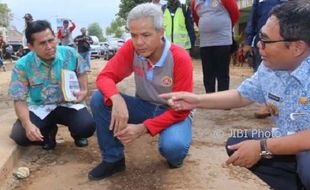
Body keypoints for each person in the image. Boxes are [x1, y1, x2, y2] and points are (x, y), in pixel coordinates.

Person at [160, 1, 310, 189]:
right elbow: (241, 96)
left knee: (307, 163)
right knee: (236, 144)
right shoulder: (270, 67)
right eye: (258, 38)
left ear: (297, 47)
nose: (258, 46)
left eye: (266, 41)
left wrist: (263, 147)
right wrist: (196, 101)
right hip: (288, 136)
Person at [88, 3, 193, 180]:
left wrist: (143, 128)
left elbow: (182, 108)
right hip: (143, 106)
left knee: (174, 148)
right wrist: (116, 98)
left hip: (172, 111)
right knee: (100, 98)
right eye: (133, 35)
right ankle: (113, 159)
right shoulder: (132, 49)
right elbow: (104, 77)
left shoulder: (179, 57)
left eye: (146, 35)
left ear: (161, 32)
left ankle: (174, 156)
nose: (139, 42)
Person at [9, 20, 96, 150]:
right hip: (40, 107)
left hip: (68, 104)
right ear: (31, 46)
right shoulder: (22, 65)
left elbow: (81, 71)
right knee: (20, 135)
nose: (49, 46)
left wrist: (83, 90)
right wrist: (27, 125)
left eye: (51, 40)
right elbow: (19, 99)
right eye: (42, 43)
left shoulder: (69, 53)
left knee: (86, 126)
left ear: (55, 37)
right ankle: (48, 133)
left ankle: (78, 134)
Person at [244, 0, 288, 119]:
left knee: (284, 73)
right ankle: (267, 104)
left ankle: (284, 103)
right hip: (262, 39)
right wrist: (248, 41)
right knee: (262, 71)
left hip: (285, 40)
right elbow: (252, 20)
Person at [191, 0, 239, 93]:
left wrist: (224, 26)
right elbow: (196, 18)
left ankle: (223, 98)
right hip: (205, 42)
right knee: (208, 73)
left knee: (222, 72)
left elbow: (235, 13)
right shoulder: (195, 2)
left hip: (222, 41)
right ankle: (210, 97)